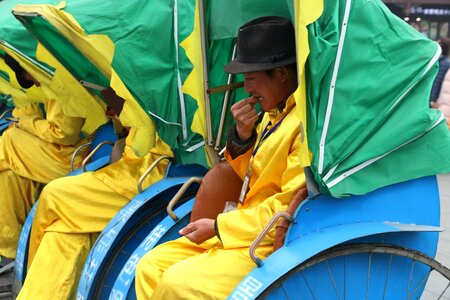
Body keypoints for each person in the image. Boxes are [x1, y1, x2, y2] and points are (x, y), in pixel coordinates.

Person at [134, 16, 307, 299]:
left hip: (265, 238)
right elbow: (249, 172)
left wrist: (217, 226)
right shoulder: (272, 114)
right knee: (151, 265)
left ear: (282, 74)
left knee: (177, 282)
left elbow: (286, 208)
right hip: (242, 226)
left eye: (251, 79)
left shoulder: (301, 125)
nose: (247, 89)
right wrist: (242, 134)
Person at [16, 91, 173, 299]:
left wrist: (121, 106)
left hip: (146, 174)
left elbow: (66, 132)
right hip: (126, 167)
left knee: (53, 195)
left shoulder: (161, 95)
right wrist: (118, 114)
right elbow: (128, 134)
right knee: (60, 234)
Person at [0, 54, 88, 262]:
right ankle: (9, 251)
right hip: (71, 153)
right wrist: (24, 122)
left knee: (10, 139)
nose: (29, 80)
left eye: (26, 73)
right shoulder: (51, 82)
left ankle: (10, 251)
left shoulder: (60, 83)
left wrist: (25, 123)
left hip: (76, 157)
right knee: (8, 177)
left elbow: (64, 134)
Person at [430, 38, 450, 105]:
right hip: (438, 99)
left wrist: (432, 100)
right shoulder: (444, 62)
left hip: (437, 100)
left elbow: (437, 82)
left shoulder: (443, 63)